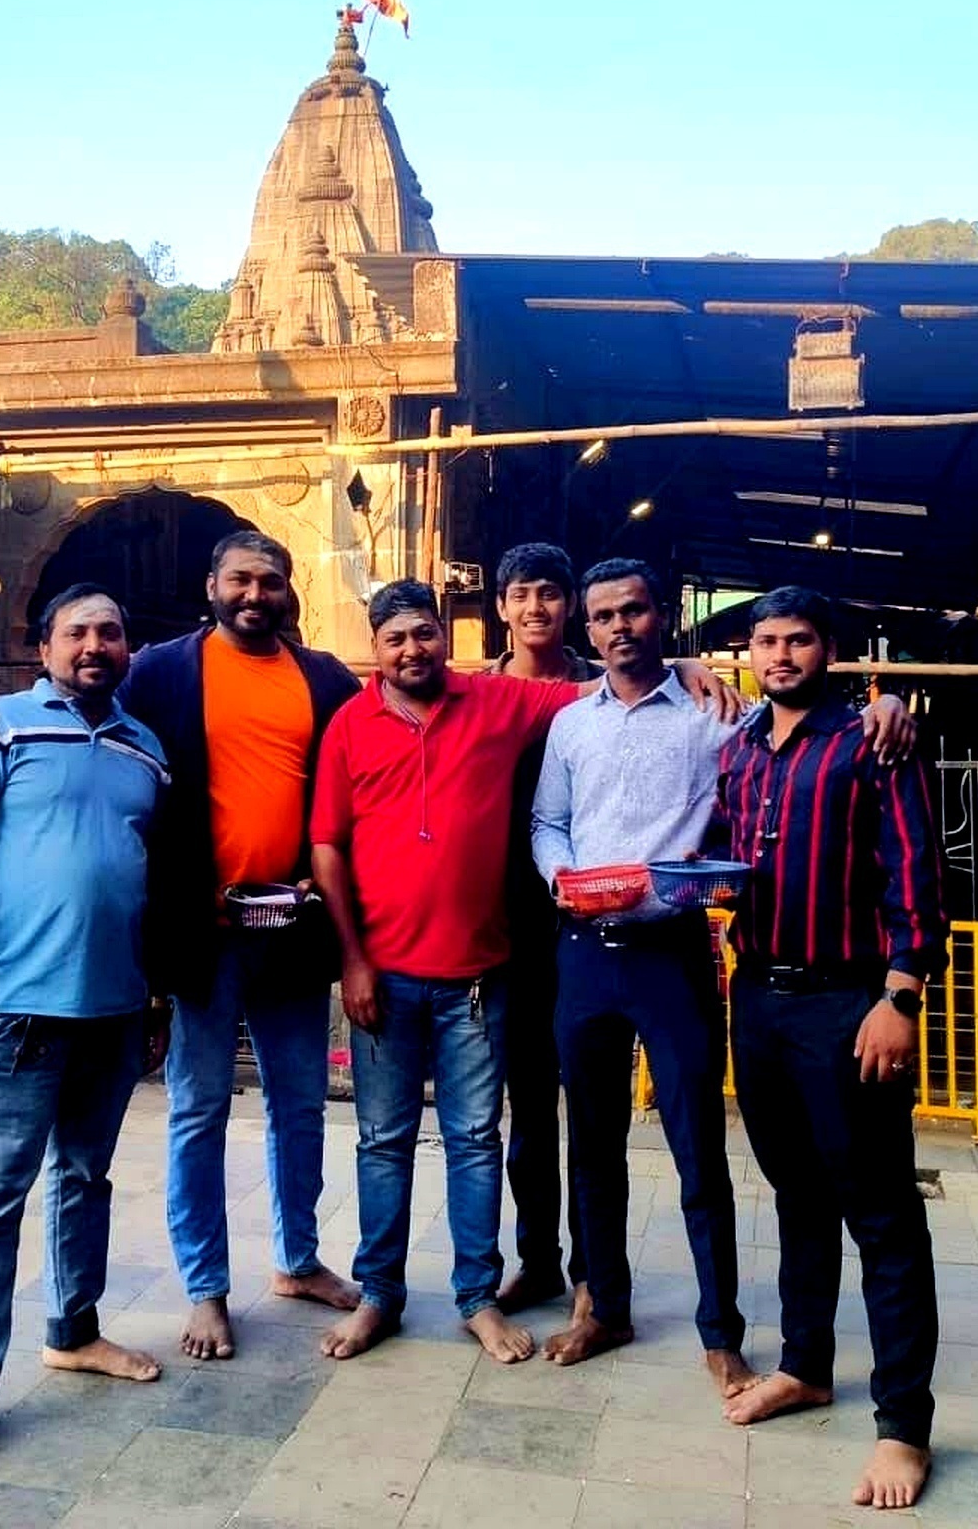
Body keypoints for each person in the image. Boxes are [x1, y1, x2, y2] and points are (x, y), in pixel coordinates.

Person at [0, 530, 362, 1361]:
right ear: (212, 585)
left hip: (292, 928)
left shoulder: (323, 677)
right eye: (239, 579)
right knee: (199, 1109)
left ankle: (297, 1259)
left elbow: (384, 738)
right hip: (201, 937)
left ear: (288, 591)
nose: (255, 594)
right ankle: (206, 1288)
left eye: (270, 581)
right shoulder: (163, 670)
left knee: (300, 1106)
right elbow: (78, 697)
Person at [0, 584, 173, 1481]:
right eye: (77, 632)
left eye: (111, 631)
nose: (95, 645)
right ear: (44, 646)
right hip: (19, 1004)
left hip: (115, 1005)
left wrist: (152, 1000)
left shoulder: (146, 748)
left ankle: (73, 1332)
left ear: (128, 648)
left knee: (84, 1179)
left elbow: (141, 873)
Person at [311, 579, 592, 1365]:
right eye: (395, 638)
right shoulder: (350, 725)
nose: (413, 650)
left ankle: (477, 1298)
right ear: (376, 647)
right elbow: (327, 846)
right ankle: (379, 1295)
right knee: (382, 1140)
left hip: (478, 980)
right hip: (384, 978)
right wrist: (352, 960)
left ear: (444, 635)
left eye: (424, 633)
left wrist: (688, 670)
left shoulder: (496, 701)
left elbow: (603, 691)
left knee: (474, 1138)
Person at [715, 586, 945, 1512]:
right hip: (757, 997)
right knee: (796, 1193)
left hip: (847, 1001)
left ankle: (903, 1428)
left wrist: (901, 994)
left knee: (881, 1213)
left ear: (831, 651)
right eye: (766, 641)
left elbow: (915, 874)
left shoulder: (871, 742)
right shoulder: (739, 749)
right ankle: (805, 1365)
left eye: (799, 640)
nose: (781, 655)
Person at [530, 556, 754, 1402]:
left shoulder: (712, 714)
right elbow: (548, 820)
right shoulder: (570, 725)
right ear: (587, 629)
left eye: (632, 610)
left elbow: (783, 739)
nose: (618, 627)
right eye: (603, 616)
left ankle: (721, 1333)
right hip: (584, 951)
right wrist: (559, 875)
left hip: (671, 954)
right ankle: (606, 1308)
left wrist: (880, 707)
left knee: (698, 1146)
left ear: (663, 613)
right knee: (591, 1144)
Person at [484, 544, 600, 1316]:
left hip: (591, 923)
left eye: (550, 593)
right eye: (521, 593)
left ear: (570, 605)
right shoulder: (475, 693)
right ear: (501, 606)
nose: (536, 608)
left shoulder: (607, 686)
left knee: (590, 1107)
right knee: (527, 1110)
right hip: (507, 930)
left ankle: (593, 1269)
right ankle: (537, 1261)